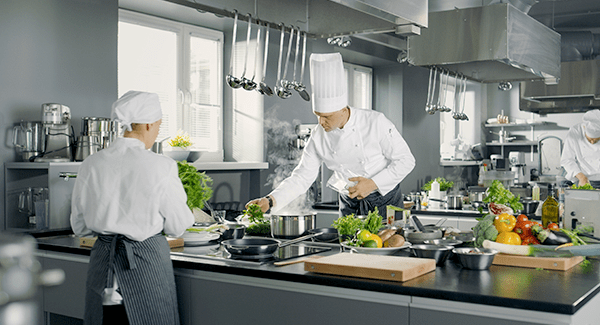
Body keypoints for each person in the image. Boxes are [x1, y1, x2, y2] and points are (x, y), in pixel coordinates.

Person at [70, 91, 194, 325]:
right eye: (158, 125)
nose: (157, 132)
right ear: (148, 125)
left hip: (102, 265)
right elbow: (179, 226)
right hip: (146, 265)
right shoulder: (161, 166)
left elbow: (79, 226)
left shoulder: (91, 164)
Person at [246, 53, 415, 217]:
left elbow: (406, 161)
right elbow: (302, 177)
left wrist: (372, 184)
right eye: (317, 115)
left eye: (326, 116)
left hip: (385, 201)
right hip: (349, 203)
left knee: (389, 244)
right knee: (348, 244)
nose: (320, 122)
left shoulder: (375, 122)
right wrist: (270, 200)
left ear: (343, 110)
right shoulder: (318, 136)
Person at [561, 109, 600, 187]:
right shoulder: (575, 132)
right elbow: (567, 159)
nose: (592, 142)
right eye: (590, 139)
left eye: (596, 140)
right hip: (582, 179)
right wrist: (581, 177)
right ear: (584, 129)